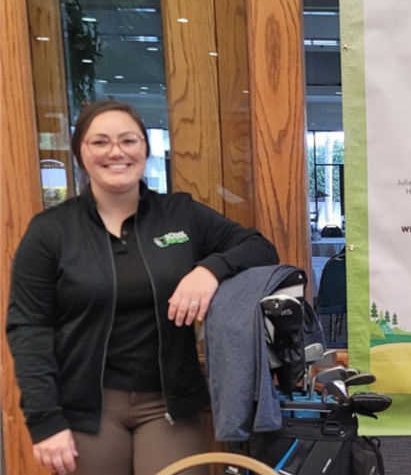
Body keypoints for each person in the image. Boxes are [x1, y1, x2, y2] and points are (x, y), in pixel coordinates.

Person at [7, 101, 280, 475]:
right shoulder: (51, 231)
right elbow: (29, 329)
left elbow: (260, 249)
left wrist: (210, 270)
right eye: (99, 142)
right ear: (80, 153)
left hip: (168, 406)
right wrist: (45, 421)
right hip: (87, 409)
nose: (115, 151)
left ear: (145, 149)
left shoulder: (181, 215)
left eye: (128, 140)